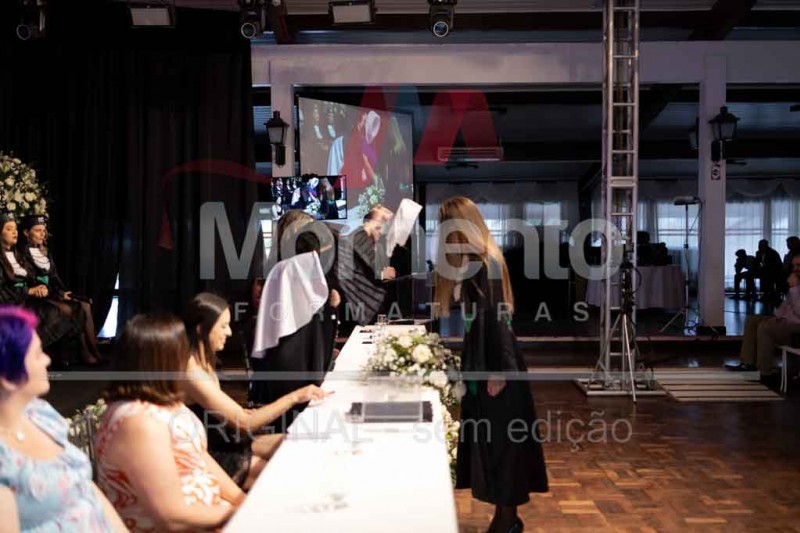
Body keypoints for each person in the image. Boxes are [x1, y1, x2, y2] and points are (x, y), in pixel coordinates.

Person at [433, 196, 548, 533]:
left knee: (503, 446)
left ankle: (507, 521)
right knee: (496, 444)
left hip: (496, 364)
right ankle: (505, 518)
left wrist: (498, 371)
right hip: (486, 359)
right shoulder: (477, 262)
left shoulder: (484, 264)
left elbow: (498, 322)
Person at [95, 314, 244, 532]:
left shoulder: (164, 400)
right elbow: (171, 517)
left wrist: (242, 500)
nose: (189, 359)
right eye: (183, 351)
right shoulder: (137, 423)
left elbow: (198, 457)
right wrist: (242, 513)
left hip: (214, 517)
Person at [181, 293, 328, 489]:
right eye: (223, 326)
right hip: (213, 454)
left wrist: (236, 412)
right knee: (284, 474)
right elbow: (244, 423)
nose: (229, 332)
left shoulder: (205, 359)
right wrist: (295, 396)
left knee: (297, 446)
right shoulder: (191, 371)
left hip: (229, 441)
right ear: (201, 329)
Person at [0, 306, 127, 532]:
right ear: (8, 379)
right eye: (37, 354)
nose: (47, 360)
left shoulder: (40, 414)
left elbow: (85, 488)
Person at [0, 212, 89, 366]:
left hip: (24, 299)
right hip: (10, 303)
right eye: (8, 229)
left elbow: (36, 280)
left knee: (71, 308)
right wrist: (30, 291)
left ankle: (62, 356)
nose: (14, 232)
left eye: (14, 228)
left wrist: (45, 289)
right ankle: (34, 358)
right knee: (55, 312)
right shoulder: (14, 255)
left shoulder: (17, 255)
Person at [19, 214, 103, 364]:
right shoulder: (21, 255)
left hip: (51, 293)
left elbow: (54, 277)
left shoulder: (45, 251)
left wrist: (64, 292)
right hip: (35, 297)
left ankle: (93, 350)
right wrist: (58, 294)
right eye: (38, 230)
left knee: (85, 305)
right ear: (26, 232)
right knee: (72, 309)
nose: (42, 234)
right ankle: (82, 352)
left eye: (43, 230)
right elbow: (33, 282)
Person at [726, 252, 800, 384]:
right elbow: (786, 306)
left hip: (796, 328)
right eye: (794, 266)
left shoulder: (796, 286)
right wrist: (777, 316)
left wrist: (794, 289)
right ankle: (747, 364)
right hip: (786, 322)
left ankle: (764, 372)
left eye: (798, 265)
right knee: (752, 320)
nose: (795, 269)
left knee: (766, 327)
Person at [337, 204, 397, 326]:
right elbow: (370, 271)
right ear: (369, 222)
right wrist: (382, 274)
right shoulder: (359, 237)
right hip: (359, 304)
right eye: (381, 223)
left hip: (364, 304)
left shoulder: (371, 241)